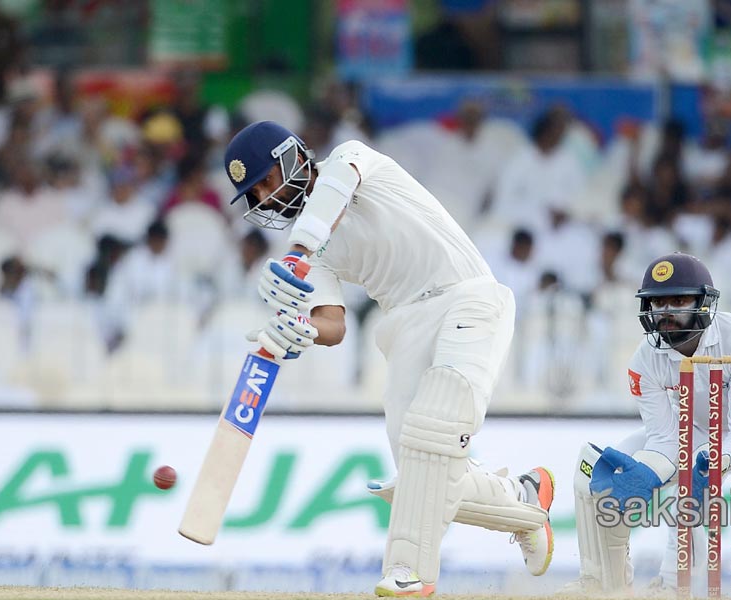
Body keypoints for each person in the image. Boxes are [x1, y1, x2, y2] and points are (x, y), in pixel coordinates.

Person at [221, 121, 555, 597]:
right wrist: (302, 330)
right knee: (424, 466)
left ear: (291, 156)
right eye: (255, 195)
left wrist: (295, 252)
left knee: (435, 428)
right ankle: (525, 501)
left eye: (265, 182)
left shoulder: (350, 161)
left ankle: (407, 572)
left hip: (467, 296)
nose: (267, 199)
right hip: (404, 328)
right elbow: (333, 325)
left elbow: (329, 202)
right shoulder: (310, 253)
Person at [568, 252, 731, 600]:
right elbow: (664, 439)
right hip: (695, 427)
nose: (666, 312)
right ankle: (603, 584)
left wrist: (707, 465)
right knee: (595, 469)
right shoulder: (644, 360)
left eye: (678, 301)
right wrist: (647, 474)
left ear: (703, 304)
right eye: (657, 303)